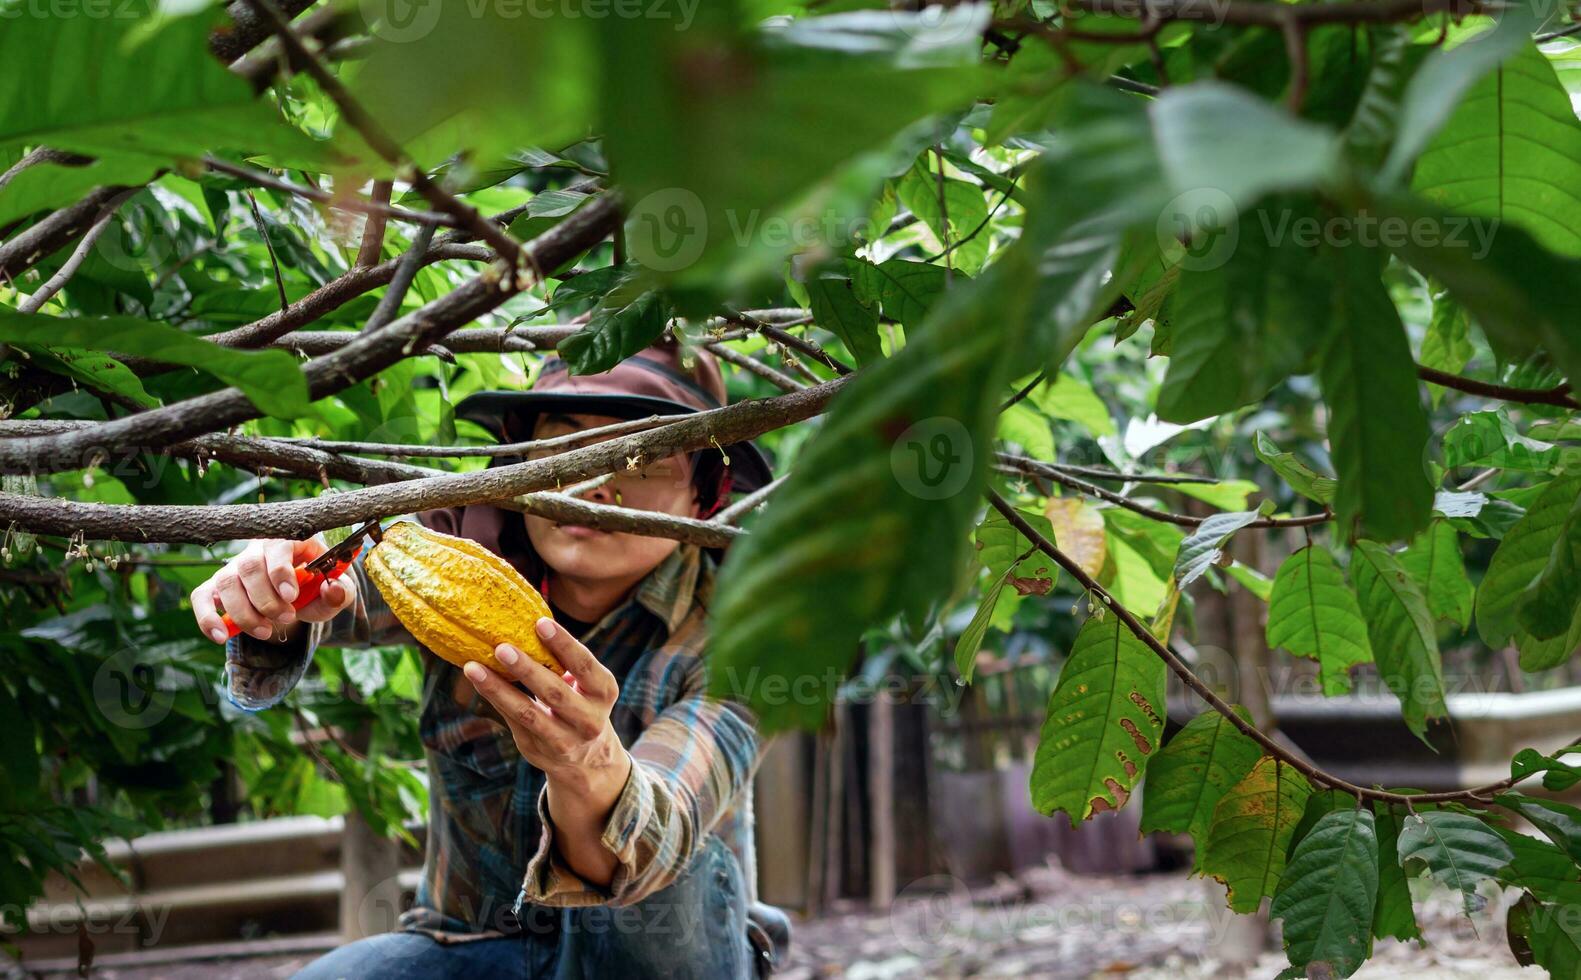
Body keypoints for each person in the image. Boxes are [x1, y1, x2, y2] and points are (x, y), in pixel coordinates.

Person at [190, 342, 790, 978]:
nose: (595, 480)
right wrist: (279, 588)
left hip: (663, 954)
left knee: (664, 877)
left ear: (708, 494)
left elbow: (653, 845)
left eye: (640, 456)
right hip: (471, 945)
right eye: (565, 444)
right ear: (523, 463)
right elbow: (338, 585)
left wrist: (588, 766)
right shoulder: (457, 539)